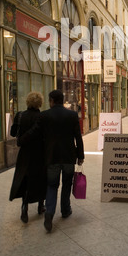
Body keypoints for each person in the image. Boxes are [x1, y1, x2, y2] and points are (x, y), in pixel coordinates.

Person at [19, 89, 84, 233]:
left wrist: (21, 140)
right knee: (67, 184)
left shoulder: (45, 116)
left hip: (52, 158)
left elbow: (34, 132)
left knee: (52, 186)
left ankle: (49, 213)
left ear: (51, 101)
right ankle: (66, 210)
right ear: (62, 100)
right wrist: (81, 156)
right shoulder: (72, 115)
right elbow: (78, 137)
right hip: (68, 158)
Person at [9, 92, 47, 223]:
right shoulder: (42, 117)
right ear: (40, 103)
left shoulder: (19, 115)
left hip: (24, 153)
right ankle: (41, 205)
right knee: (40, 179)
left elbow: (13, 133)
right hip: (39, 153)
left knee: (25, 179)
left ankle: (24, 208)